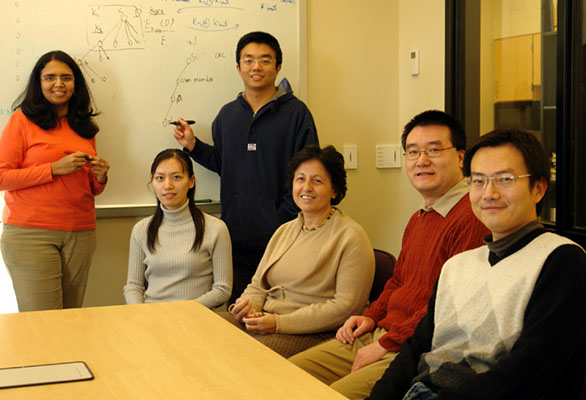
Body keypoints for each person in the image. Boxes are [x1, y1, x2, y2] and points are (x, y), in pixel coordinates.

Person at [369, 129, 586, 400]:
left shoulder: (561, 260)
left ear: (538, 188)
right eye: (479, 181)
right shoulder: (457, 266)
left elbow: (529, 373)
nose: (489, 193)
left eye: (505, 179)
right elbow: (416, 348)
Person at [289, 110, 489, 399]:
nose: (421, 160)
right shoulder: (419, 218)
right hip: (381, 332)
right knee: (288, 373)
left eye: (433, 150)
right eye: (413, 152)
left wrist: (387, 344)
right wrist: (370, 317)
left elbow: (447, 308)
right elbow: (398, 282)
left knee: (331, 394)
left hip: (414, 347)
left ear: (460, 157)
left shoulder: (471, 217)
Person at [172, 31, 318, 304]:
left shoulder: (297, 114)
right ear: (238, 67)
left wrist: (281, 220)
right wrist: (193, 146)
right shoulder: (227, 115)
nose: (256, 67)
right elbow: (224, 165)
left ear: (278, 67)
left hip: (283, 241)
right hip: (235, 241)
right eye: (248, 60)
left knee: (275, 317)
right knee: (237, 319)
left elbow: (309, 173)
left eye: (265, 60)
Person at [223, 145, 374, 358]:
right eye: (300, 179)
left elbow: (345, 307)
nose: (307, 187)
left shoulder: (351, 236)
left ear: (334, 190)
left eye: (317, 181)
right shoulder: (284, 230)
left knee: (243, 356)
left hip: (314, 333)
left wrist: (279, 323)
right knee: (207, 330)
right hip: (267, 319)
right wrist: (248, 305)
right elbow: (257, 285)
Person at [0, 50, 110, 311]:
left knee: (70, 321)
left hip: (81, 233)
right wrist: (53, 169)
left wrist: (101, 176)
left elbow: (90, 189)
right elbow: (2, 176)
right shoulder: (21, 120)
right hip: (31, 234)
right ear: (38, 83)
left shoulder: (84, 126)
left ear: (76, 85)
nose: (59, 84)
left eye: (66, 77)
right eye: (50, 77)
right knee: (44, 323)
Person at [124, 149, 232, 309]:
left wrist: (182, 312)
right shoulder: (141, 230)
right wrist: (142, 313)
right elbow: (133, 286)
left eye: (176, 177)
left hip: (197, 318)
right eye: (160, 178)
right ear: (152, 182)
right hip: (152, 318)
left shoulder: (215, 228)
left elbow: (222, 289)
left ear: (191, 181)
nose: (167, 185)